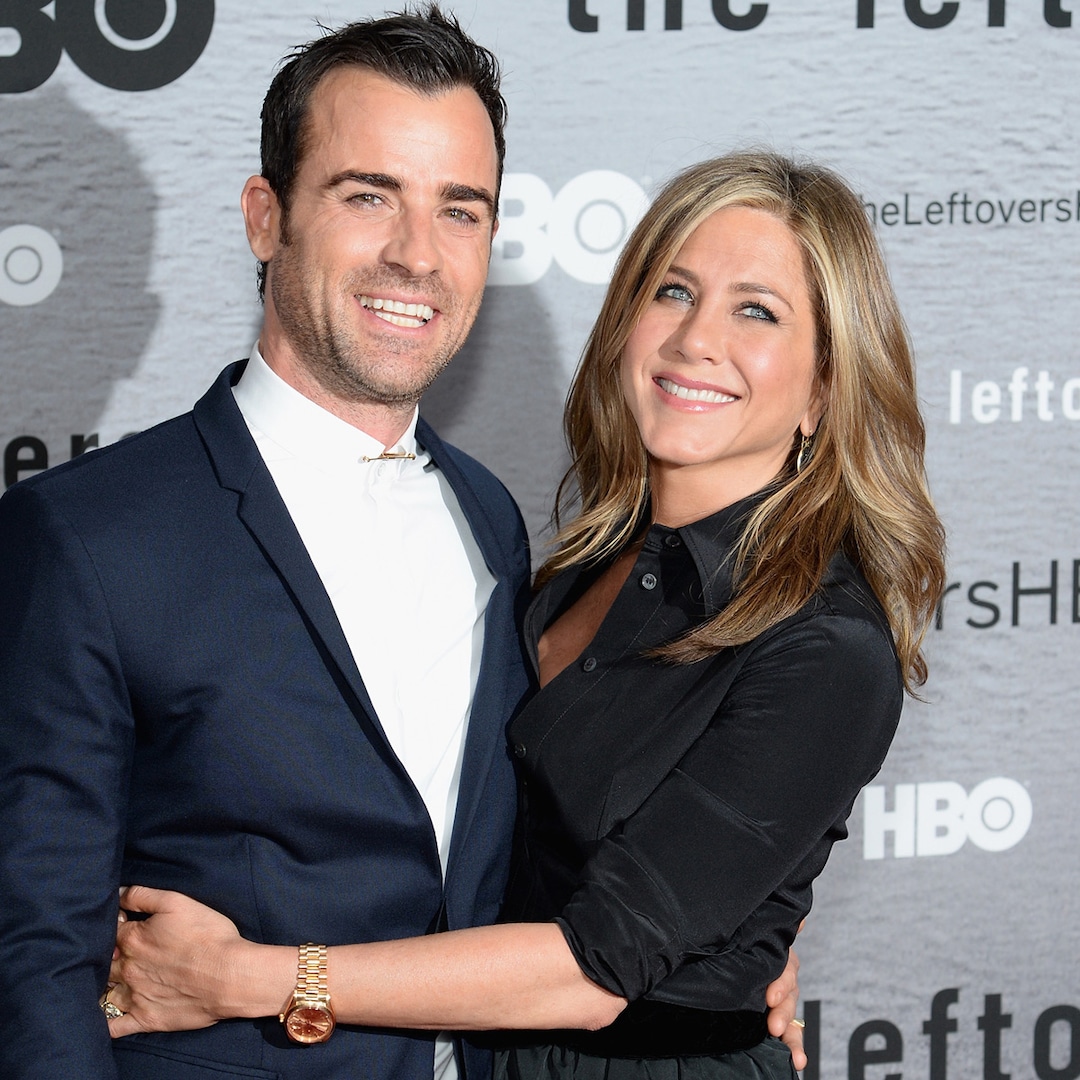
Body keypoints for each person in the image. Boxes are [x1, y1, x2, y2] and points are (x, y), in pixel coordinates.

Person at [0, 10, 801, 1080]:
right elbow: (34, 965)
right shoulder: (88, 538)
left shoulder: (490, 519)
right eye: (368, 195)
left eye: (459, 210)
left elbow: (553, 841)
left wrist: (725, 960)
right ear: (265, 218)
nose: (417, 255)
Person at [102, 150, 946, 1080]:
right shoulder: (571, 562)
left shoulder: (827, 646)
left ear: (824, 387)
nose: (696, 339)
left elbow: (594, 969)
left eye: (758, 311)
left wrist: (246, 978)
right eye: (673, 291)